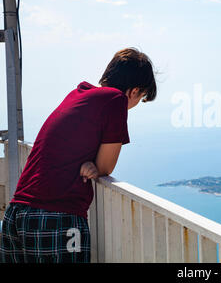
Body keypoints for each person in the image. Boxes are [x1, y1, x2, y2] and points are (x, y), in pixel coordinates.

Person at [0, 47, 157, 263]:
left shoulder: (78, 94)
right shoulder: (116, 100)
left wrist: (91, 163)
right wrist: (95, 166)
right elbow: (106, 167)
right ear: (135, 91)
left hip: (16, 215)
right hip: (56, 219)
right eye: (141, 97)